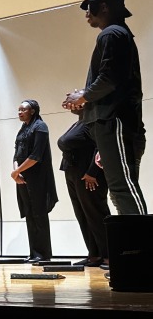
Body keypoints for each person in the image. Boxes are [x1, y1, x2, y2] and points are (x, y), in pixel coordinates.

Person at [63, 0, 146, 215]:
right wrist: (85, 101)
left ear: (104, 7)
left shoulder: (111, 34)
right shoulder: (118, 34)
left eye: (89, 7)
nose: (86, 13)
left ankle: (144, 247)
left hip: (114, 121)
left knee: (123, 188)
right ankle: (135, 246)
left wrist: (84, 96)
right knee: (121, 188)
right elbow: (112, 81)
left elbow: (110, 78)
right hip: (113, 122)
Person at [57, 110, 111, 267]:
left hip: (88, 173)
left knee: (96, 213)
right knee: (82, 214)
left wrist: (92, 172)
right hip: (73, 171)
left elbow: (100, 146)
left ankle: (109, 255)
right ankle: (94, 254)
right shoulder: (79, 122)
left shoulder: (93, 122)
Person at [12, 100, 58, 262]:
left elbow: (36, 156)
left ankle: (43, 254)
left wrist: (17, 171)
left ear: (32, 111)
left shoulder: (40, 126)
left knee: (39, 215)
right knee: (30, 214)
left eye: (23, 109)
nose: (20, 112)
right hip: (23, 178)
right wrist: (16, 171)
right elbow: (17, 152)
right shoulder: (23, 128)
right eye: (18, 109)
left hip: (38, 178)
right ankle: (34, 252)